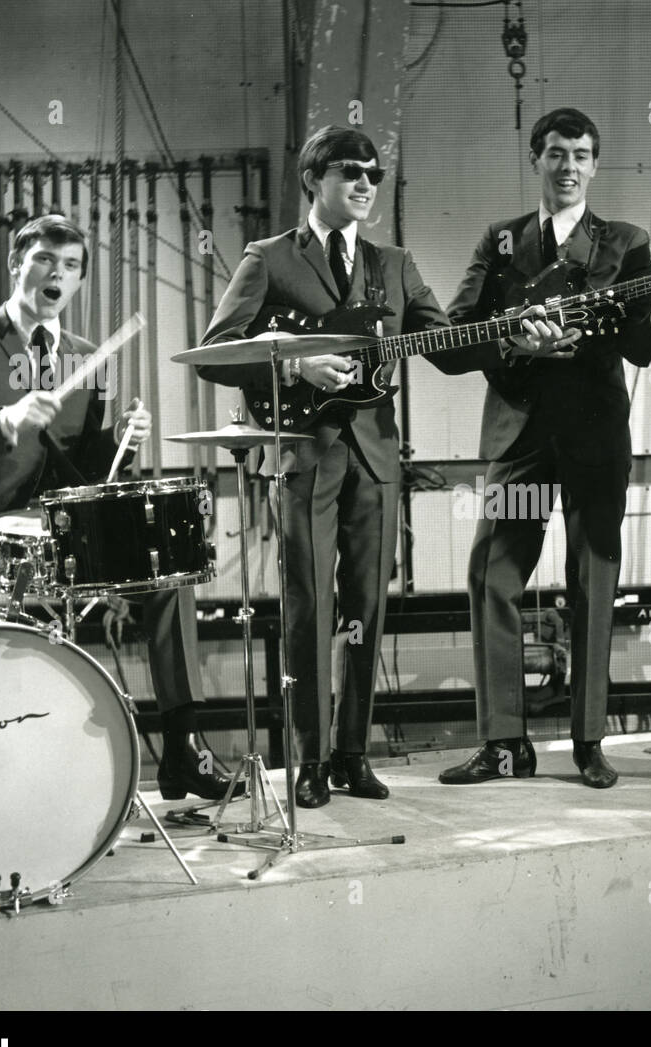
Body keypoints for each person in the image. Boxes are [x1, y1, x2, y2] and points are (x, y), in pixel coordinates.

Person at [199, 125, 542, 809]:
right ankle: (308, 759)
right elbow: (214, 351)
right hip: (303, 454)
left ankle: (353, 754)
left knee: (365, 609)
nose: (364, 183)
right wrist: (293, 360)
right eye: (349, 171)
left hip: (376, 458)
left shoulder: (395, 264)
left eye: (374, 174)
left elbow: (443, 344)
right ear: (311, 179)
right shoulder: (268, 258)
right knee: (308, 610)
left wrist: (509, 331)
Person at [0, 214, 238, 802]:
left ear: (79, 280)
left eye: (71, 266)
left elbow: (85, 472)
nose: (56, 275)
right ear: (16, 266)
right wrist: (2, 421)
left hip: (59, 528)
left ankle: (184, 749)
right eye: (44, 261)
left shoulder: (87, 357)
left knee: (168, 574)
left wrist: (123, 443)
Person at [435, 107, 651, 790]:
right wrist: (514, 340)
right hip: (521, 435)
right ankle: (502, 743)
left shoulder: (625, 243)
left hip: (593, 436)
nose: (569, 166)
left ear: (595, 164)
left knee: (593, 581)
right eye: (557, 153)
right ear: (536, 159)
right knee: (491, 578)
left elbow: (641, 343)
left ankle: (589, 743)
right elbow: (454, 338)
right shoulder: (500, 243)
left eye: (582, 154)